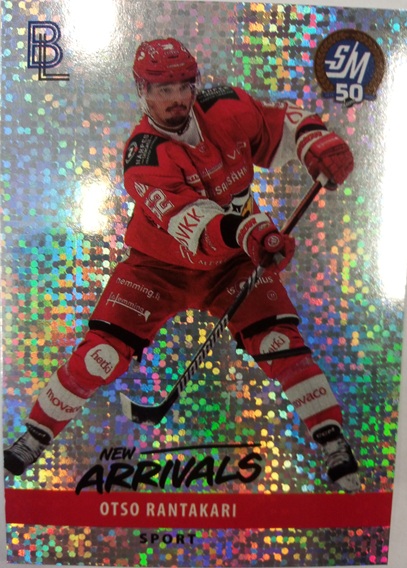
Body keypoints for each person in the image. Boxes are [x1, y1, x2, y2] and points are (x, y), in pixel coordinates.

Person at [4, 38, 359, 491]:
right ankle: (35, 435)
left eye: (183, 86)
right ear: (143, 91)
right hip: (158, 268)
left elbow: (281, 125)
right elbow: (196, 223)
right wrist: (252, 233)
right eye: (162, 89)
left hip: (234, 264)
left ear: (195, 84)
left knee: (278, 342)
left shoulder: (227, 107)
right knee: (101, 354)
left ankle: (332, 440)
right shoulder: (143, 157)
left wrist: (315, 141)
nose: (176, 98)